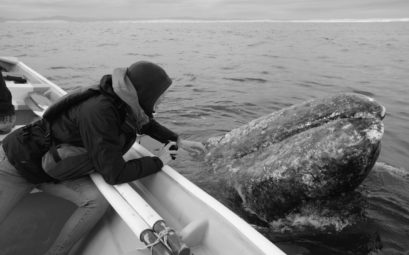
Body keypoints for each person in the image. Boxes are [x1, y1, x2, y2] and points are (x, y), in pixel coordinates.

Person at [0, 61, 205, 255]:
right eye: (161, 95)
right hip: (16, 166)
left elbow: (144, 123)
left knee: (96, 201)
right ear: (145, 93)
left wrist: (177, 140)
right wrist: (159, 161)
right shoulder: (100, 111)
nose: (163, 99)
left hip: (50, 169)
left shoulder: (122, 101)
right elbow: (114, 174)